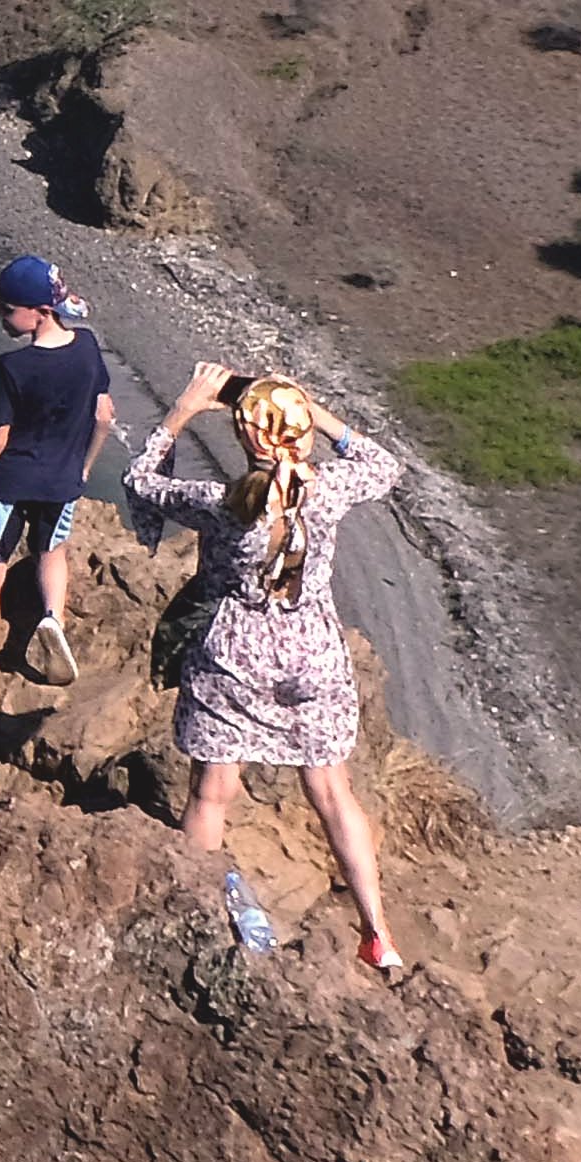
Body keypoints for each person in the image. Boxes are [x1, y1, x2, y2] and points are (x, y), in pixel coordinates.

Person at [122, 363, 412, 981]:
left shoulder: (221, 503)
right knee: (334, 795)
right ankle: (378, 935)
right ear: (301, 434)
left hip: (234, 654)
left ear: (245, 437)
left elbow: (142, 482)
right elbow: (384, 466)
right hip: (313, 653)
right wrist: (317, 411)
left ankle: (196, 912)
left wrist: (183, 410)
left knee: (211, 792)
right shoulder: (328, 491)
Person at [0, 255, 117, 713]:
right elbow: (104, 416)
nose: (0, 315)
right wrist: (84, 467)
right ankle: (52, 620)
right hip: (62, 480)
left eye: (7, 308)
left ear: (40, 312)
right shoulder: (87, 348)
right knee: (52, 552)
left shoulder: (14, 367)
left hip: (8, 485)